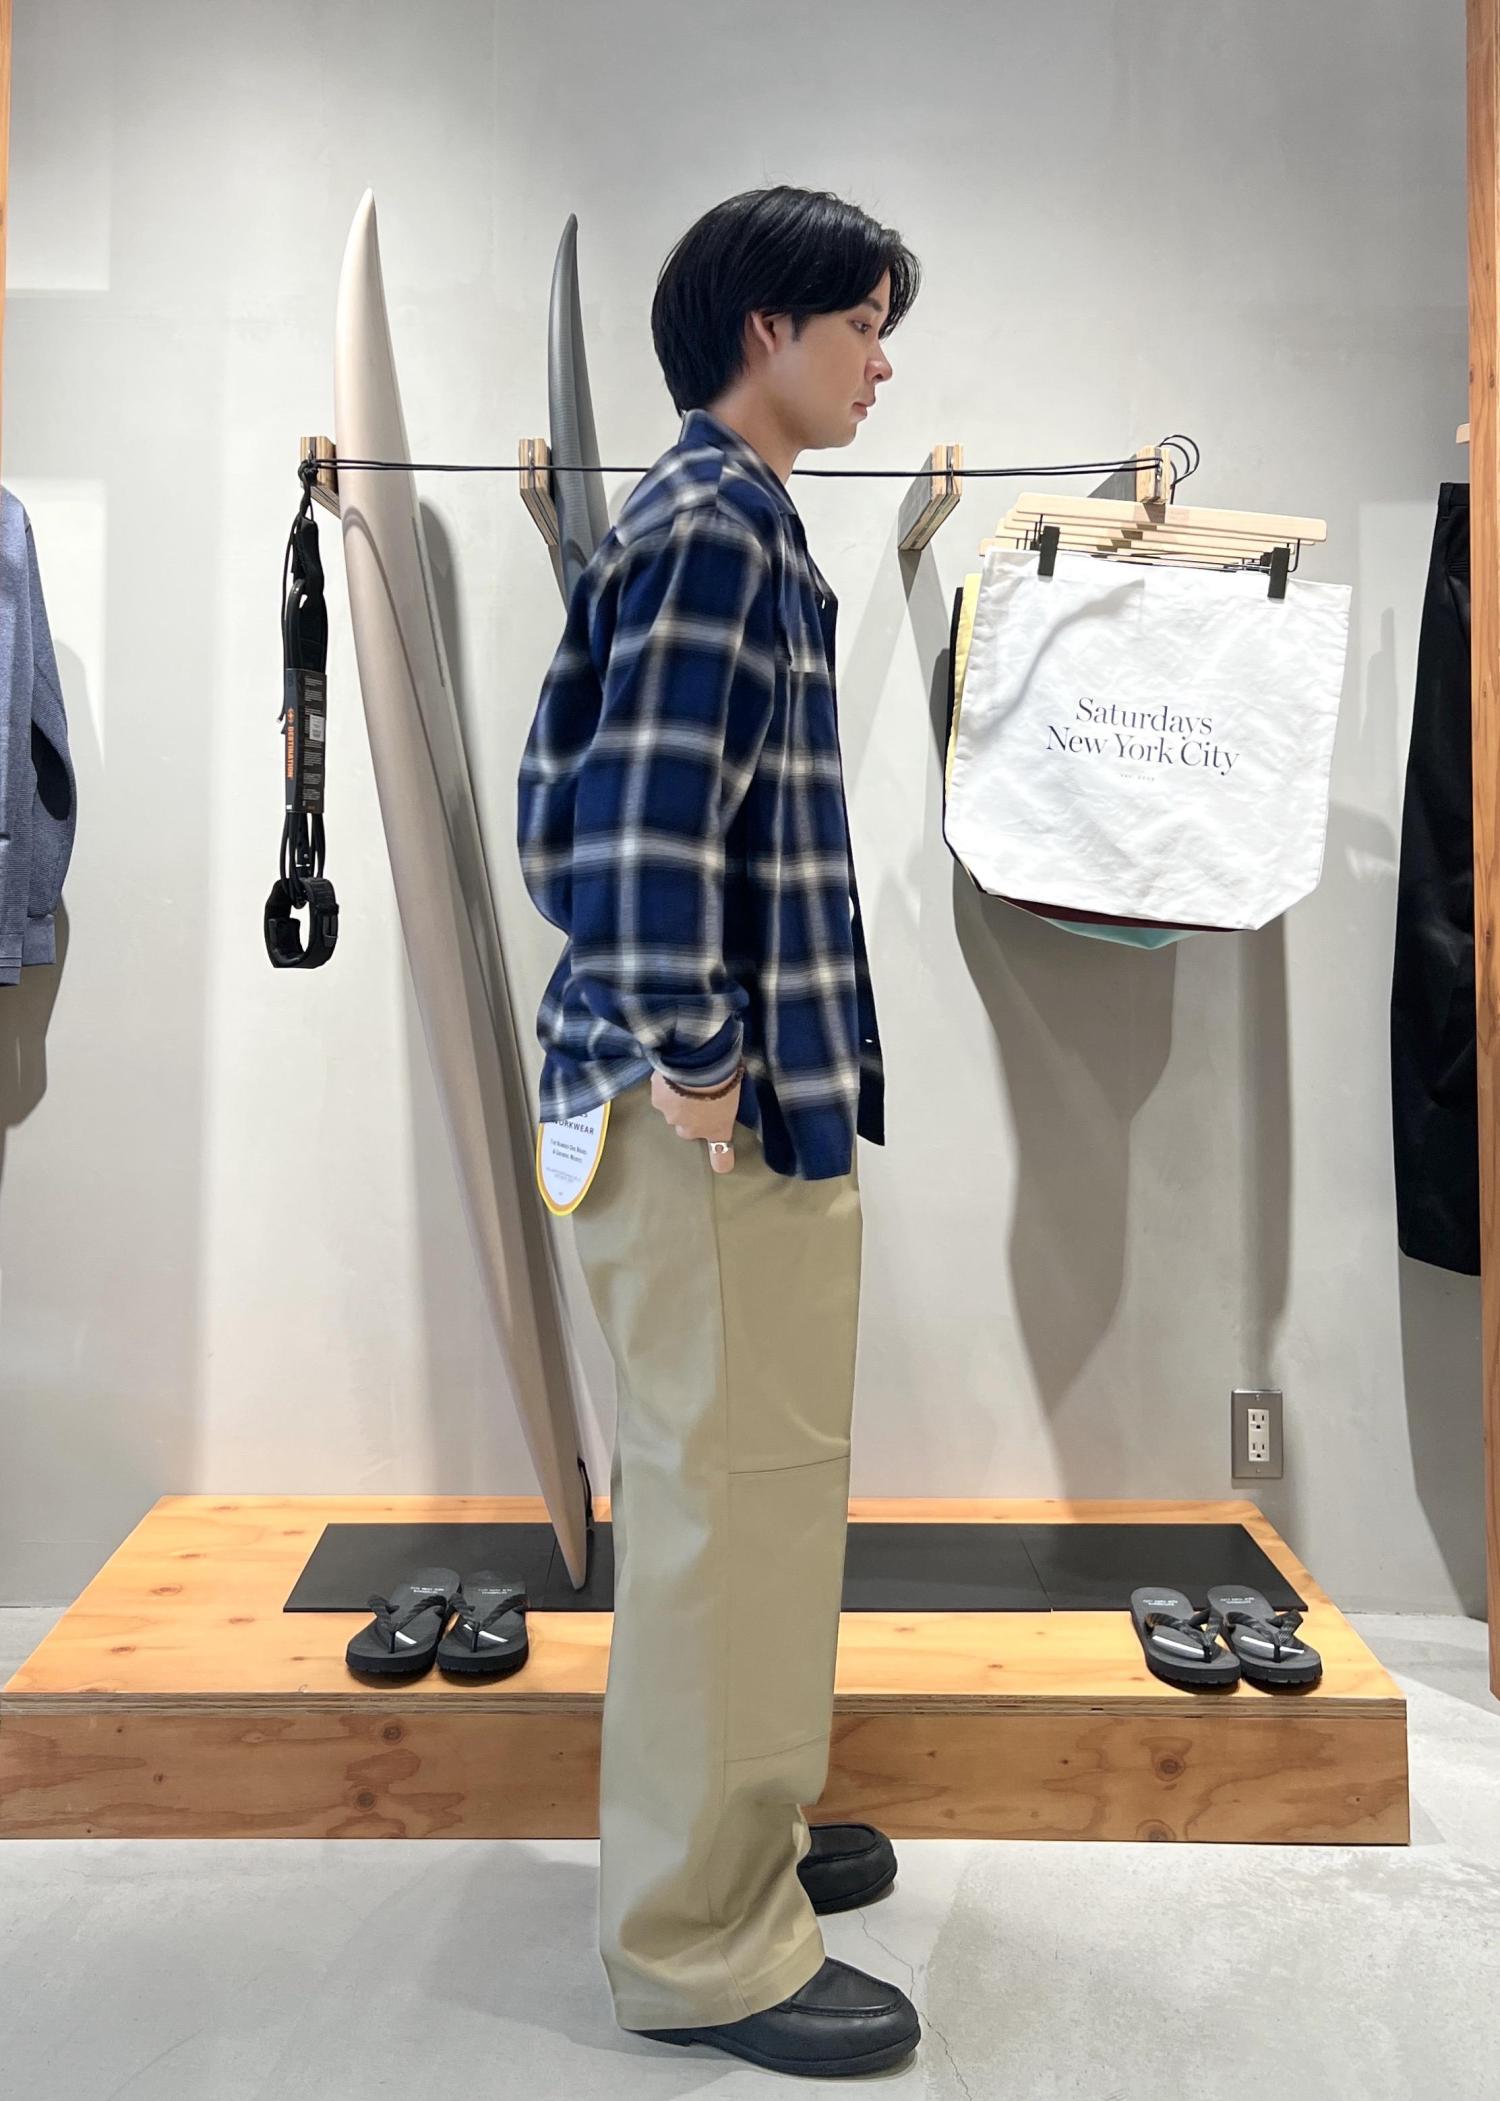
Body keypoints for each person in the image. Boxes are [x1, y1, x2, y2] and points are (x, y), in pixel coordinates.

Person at [516, 183, 921, 2079]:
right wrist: (695, 1056)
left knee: (761, 1496)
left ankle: (746, 1825)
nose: (881, 364)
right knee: (715, 1514)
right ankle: (697, 1940)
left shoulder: (723, 518)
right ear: (769, 328)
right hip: (702, 1124)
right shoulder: (710, 530)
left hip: (734, 1115)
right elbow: (630, 847)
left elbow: (591, 820)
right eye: (863, 325)